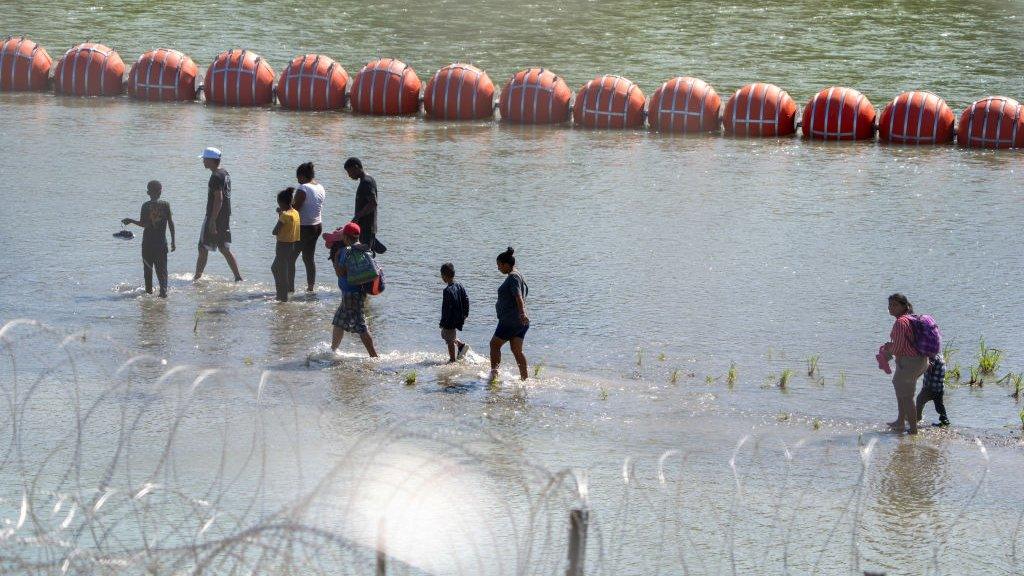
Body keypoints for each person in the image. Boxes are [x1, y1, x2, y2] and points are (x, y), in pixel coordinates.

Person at [329, 222, 379, 357]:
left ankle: (374, 356)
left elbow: (340, 273)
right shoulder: (364, 250)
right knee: (338, 322)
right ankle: (332, 351)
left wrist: (335, 258)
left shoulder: (345, 252)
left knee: (361, 326)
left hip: (351, 294)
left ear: (345, 237)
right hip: (358, 292)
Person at [193, 147, 242, 282]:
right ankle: (238, 277)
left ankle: (196, 278)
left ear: (211, 160)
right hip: (225, 217)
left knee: (202, 247)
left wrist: (212, 220)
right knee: (224, 248)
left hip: (214, 217)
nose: (203, 161)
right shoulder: (225, 173)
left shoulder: (215, 177)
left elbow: (219, 199)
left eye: (205, 159)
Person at [883, 293, 928, 435]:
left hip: (910, 362)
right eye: (890, 304)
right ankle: (900, 421)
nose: (891, 307)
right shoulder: (911, 319)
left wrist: (888, 349)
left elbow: (898, 348)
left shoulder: (900, 322)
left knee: (907, 396)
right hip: (921, 360)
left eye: (894, 305)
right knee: (900, 388)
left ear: (904, 306)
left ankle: (913, 430)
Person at [121, 180, 175, 297]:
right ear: (161, 191)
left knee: (148, 270)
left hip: (147, 244)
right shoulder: (165, 205)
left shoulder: (145, 206)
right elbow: (171, 223)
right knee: (162, 271)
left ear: (147, 192)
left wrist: (130, 220)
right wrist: (173, 241)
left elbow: (143, 224)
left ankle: (149, 293)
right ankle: (163, 294)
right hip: (161, 243)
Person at [489, 247, 529, 381]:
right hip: (520, 322)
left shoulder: (513, 277)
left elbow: (518, 296)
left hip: (511, 320)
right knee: (517, 350)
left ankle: (494, 375)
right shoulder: (518, 275)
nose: (498, 268)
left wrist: (522, 313)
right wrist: (522, 315)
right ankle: (524, 379)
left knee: (494, 344)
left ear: (506, 264)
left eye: (499, 265)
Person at [291, 161, 325, 292]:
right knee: (309, 258)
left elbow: (295, 209)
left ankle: (290, 288)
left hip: (303, 228)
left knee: (290, 258)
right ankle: (310, 288)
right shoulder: (320, 187)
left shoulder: (303, 188)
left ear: (302, 176)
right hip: (317, 226)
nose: (297, 180)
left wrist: (282, 210)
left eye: (298, 177)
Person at [271, 188, 300, 302]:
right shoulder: (295, 212)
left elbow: (275, 231)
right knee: (276, 268)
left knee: (279, 270)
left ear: (282, 203)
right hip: (292, 245)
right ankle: (283, 293)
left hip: (282, 245)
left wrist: (280, 215)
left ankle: (282, 297)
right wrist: (281, 213)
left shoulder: (285, 216)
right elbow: (288, 224)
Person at [344, 157, 378, 249]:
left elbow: (373, 203)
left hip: (367, 228)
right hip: (364, 227)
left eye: (349, 172)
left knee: (366, 255)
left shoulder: (366, 182)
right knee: (366, 255)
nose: (349, 175)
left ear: (356, 167)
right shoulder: (366, 180)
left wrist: (357, 216)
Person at [439, 262, 470, 362]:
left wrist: (443, 322)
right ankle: (461, 346)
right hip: (459, 316)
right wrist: (465, 314)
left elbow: (446, 308)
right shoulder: (459, 285)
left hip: (450, 319)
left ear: (444, 276)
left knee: (449, 340)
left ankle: (452, 360)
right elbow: (466, 299)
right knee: (447, 335)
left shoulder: (447, 290)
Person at [917, 353, 951, 427]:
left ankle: (917, 418)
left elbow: (929, 366)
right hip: (939, 388)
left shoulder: (932, 357)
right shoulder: (940, 356)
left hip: (930, 388)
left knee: (919, 400)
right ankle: (945, 421)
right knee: (939, 406)